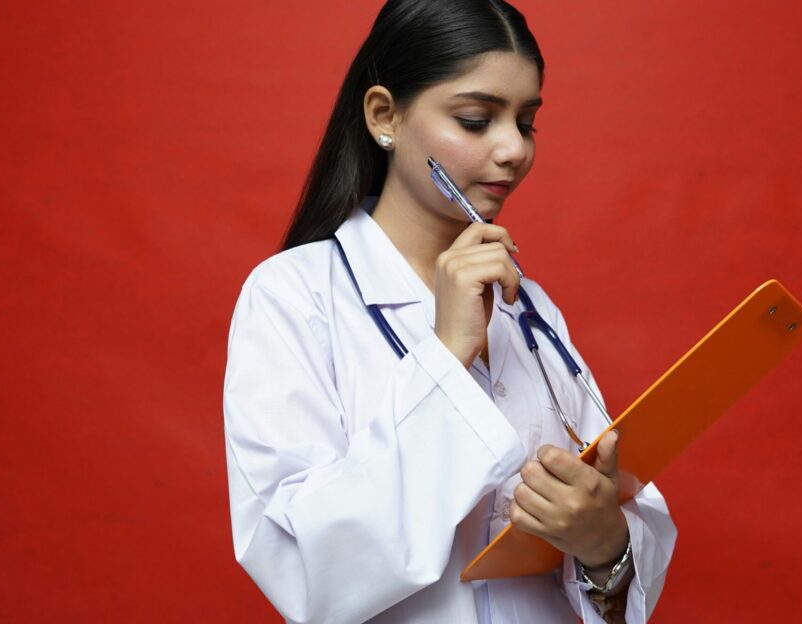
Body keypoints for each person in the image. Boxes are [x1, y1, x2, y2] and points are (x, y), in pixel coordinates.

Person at [222, 1, 676, 622]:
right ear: (385, 115)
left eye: (527, 121)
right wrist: (444, 357)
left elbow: (618, 523)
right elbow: (304, 572)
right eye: (474, 119)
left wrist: (605, 547)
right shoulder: (293, 298)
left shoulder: (530, 311)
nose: (514, 149)